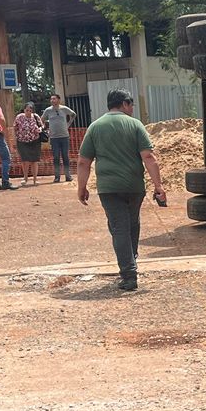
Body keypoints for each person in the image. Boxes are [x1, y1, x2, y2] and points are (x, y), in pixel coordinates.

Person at [76, 89, 166, 291]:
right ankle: (131, 262)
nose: (132, 108)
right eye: (131, 104)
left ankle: (128, 274)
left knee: (119, 228)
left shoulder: (95, 127)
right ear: (124, 104)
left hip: (109, 189)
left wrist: (81, 187)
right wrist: (158, 185)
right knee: (131, 224)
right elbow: (149, 157)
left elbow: (83, 161)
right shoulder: (135, 125)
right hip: (134, 186)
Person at [41, 93, 76, 182]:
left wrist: (68, 124)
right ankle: (57, 176)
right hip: (53, 137)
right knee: (56, 157)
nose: (52, 100)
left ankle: (68, 175)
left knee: (65, 156)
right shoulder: (48, 110)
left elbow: (73, 114)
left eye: (54, 99)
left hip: (64, 136)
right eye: (51, 99)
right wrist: (45, 128)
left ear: (58, 100)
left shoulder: (64, 109)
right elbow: (42, 119)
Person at [13, 100, 46, 187]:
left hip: (35, 141)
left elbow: (42, 125)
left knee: (34, 160)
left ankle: (35, 179)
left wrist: (40, 129)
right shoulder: (19, 117)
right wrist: (15, 136)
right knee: (25, 161)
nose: (28, 112)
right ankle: (25, 178)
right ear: (24, 110)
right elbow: (15, 127)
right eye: (27, 110)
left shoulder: (35, 117)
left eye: (30, 110)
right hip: (22, 141)